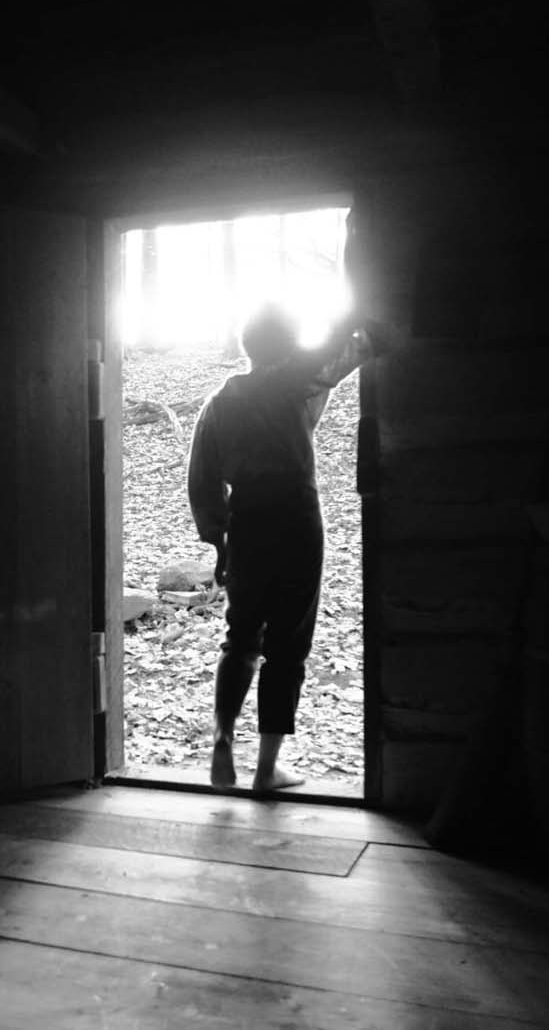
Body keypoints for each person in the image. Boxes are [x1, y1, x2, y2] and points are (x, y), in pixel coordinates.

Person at [187, 304, 365, 790]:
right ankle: (266, 769)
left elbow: (202, 480)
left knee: (240, 636)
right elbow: (341, 343)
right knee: (288, 644)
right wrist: (359, 303)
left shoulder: (220, 401)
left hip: (247, 522)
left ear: (248, 346)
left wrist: (218, 542)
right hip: (296, 517)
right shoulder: (299, 378)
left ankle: (222, 739)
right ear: (289, 344)